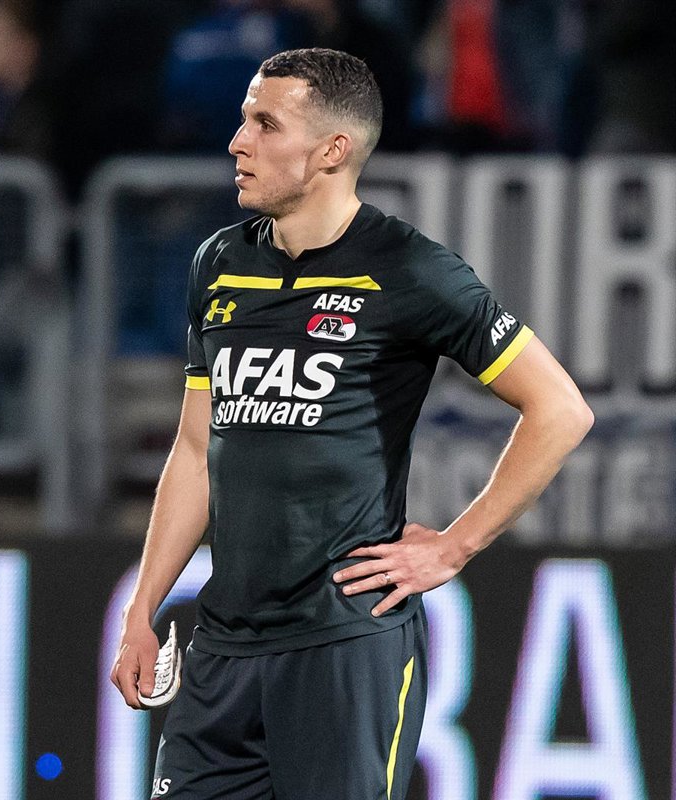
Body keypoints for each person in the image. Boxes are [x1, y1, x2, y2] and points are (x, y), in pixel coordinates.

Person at [110, 47, 593, 799]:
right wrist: (142, 609)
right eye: (244, 120)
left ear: (333, 150)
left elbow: (560, 409)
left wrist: (455, 546)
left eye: (266, 125)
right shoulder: (219, 263)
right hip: (223, 652)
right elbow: (197, 448)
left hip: (344, 646)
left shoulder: (409, 270)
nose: (237, 143)